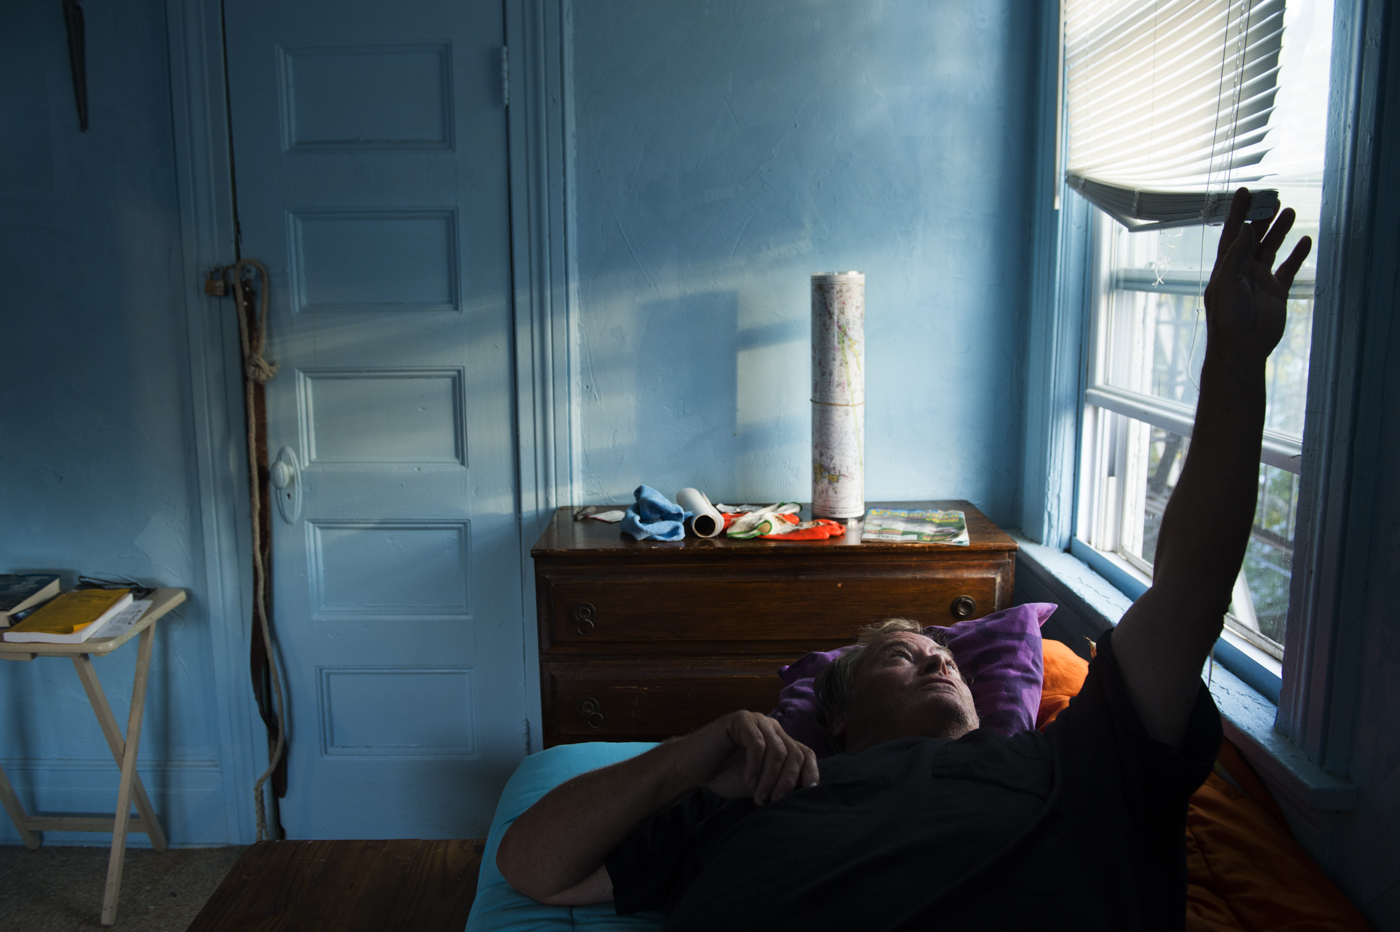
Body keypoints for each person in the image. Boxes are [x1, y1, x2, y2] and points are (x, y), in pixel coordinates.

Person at [497, 188, 1312, 930]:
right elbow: (532, 864)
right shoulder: (757, 797)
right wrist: (695, 752)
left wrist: (1236, 362)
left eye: (945, 653)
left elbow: (1189, 596)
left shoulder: (1073, 766)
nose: (941, 656)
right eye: (905, 652)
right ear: (838, 713)